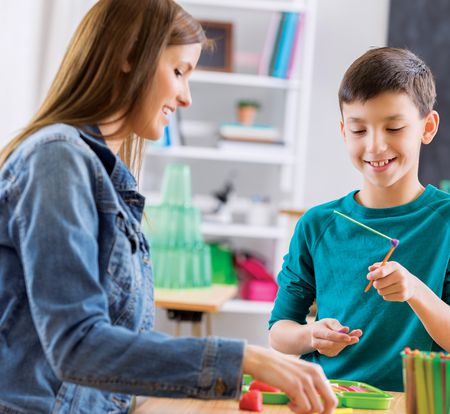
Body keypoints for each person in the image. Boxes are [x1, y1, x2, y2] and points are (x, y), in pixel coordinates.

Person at [0, 1, 337, 413]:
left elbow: (107, 371)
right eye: (179, 71)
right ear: (128, 55)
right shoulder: (55, 160)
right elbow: (76, 344)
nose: (185, 97)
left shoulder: (110, 179)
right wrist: (245, 358)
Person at [269, 47, 450, 392]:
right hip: (331, 399)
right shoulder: (317, 224)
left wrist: (415, 291)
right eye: (359, 130)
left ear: (427, 127)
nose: (376, 146)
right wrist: (312, 335)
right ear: (343, 131)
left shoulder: (445, 221)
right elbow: (280, 330)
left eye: (394, 128)